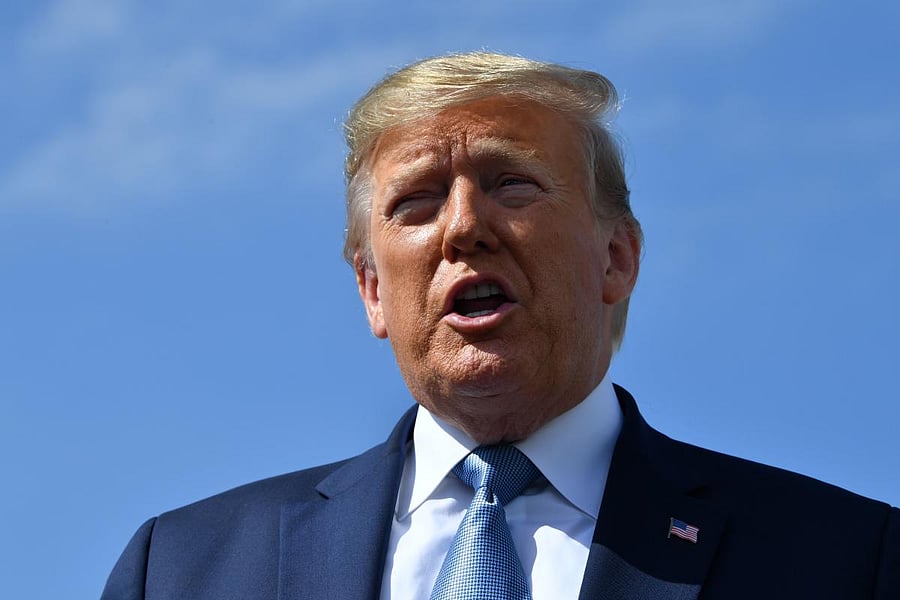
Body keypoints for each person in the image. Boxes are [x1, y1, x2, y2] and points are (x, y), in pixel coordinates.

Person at [101, 52, 899, 599]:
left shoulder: (845, 559)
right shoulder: (180, 570)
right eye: (415, 202)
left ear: (616, 258)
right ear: (373, 290)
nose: (462, 228)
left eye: (512, 185)